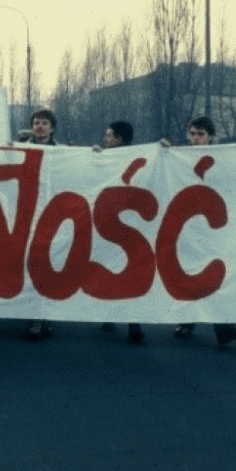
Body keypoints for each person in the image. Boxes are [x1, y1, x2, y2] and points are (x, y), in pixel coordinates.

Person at [170, 117, 236, 345]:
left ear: (211, 137)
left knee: (216, 276)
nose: (195, 138)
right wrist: (163, 149)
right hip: (189, 227)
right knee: (190, 273)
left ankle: (222, 327)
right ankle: (187, 321)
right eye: (192, 133)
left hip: (213, 226)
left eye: (201, 134)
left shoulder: (223, 158)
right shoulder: (181, 156)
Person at [94, 121, 145, 344]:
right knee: (114, 269)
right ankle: (112, 315)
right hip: (110, 222)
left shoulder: (139, 156)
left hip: (128, 223)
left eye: (109, 136)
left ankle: (133, 323)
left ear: (120, 139)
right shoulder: (106, 156)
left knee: (128, 272)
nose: (106, 139)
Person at [23, 109, 58, 341]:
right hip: (26, 214)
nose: (40, 127)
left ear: (52, 128)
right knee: (29, 266)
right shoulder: (19, 148)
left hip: (52, 213)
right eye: (36, 123)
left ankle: (44, 315)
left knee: (48, 264)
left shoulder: (64, 152)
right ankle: (33, 315)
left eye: (45, 123)